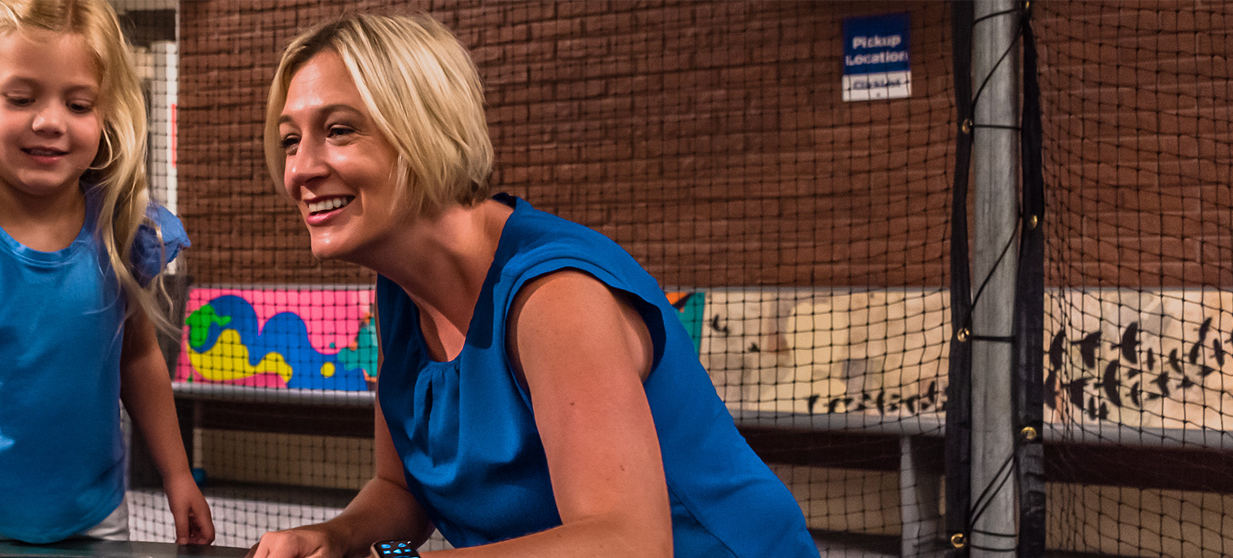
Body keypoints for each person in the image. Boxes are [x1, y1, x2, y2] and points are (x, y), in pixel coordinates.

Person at [250, 13, 820, 558]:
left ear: (423, 126)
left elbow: (628, 545)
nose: (300, 169)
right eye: (290, 140)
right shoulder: (400, 288)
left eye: (339, 130)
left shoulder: (554, 294)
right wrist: (339, 536)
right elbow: (402, 493)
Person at [0, 1, 213, 556]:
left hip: (94, 515)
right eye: (21, 98)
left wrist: (177, 475)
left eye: (78, 103)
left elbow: (138, 359)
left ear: (105, 113)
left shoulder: (118, 227)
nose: (50, 121)